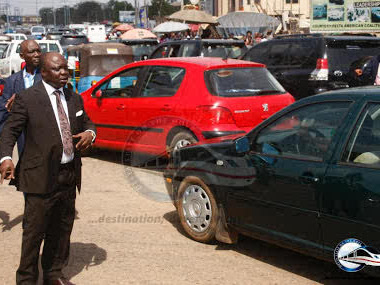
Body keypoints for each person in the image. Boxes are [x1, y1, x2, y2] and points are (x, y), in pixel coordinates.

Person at [0, 52, 96, 285]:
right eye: (57, 69)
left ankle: (53, 274)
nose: (64, 72)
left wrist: (90, 134)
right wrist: (5, 158)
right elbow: (9, 131)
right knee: (34, 233)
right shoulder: (27, 98)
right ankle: (26, 279)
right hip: (39, 176)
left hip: (69, 174)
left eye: (65, 68)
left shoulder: (73, 97)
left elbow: (88, 122)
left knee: (62, 230)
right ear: (43, 72)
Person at [0, 40, 42, 155]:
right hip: (23, 138)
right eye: (31, 52)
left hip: (44, 134)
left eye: (38, 51)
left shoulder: (47, 77)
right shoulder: (12, 81)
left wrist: (22, 97)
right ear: (22, 56)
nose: (36, 54)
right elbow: (4, 112)